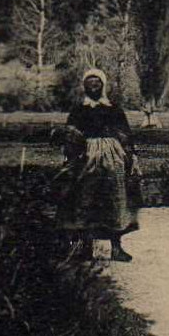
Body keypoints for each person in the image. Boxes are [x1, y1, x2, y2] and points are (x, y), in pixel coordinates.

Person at [57, 67, 139, 262]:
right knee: (85, 199)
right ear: (84, 86)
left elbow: (125, 133)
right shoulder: (79, 109)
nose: (93, 86)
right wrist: (70, 153)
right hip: (86, 156)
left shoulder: (113, 108)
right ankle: (86, 247)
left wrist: (131, 155)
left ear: (103, 85)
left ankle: (116, 247)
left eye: (97, 83)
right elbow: (70, 133)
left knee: (114, 199)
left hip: (112, 156)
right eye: (89, 83)